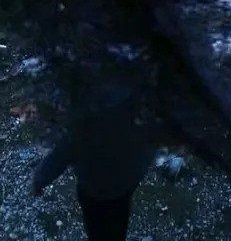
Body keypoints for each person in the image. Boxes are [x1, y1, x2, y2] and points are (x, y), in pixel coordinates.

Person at [32, 84, 152, 241]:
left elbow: (59, 157)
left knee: (96, 227)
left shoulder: (82, 127)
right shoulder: (134, 111)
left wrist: (38, 180)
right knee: (119, 219)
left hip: (94, 190)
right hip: (123, 185)